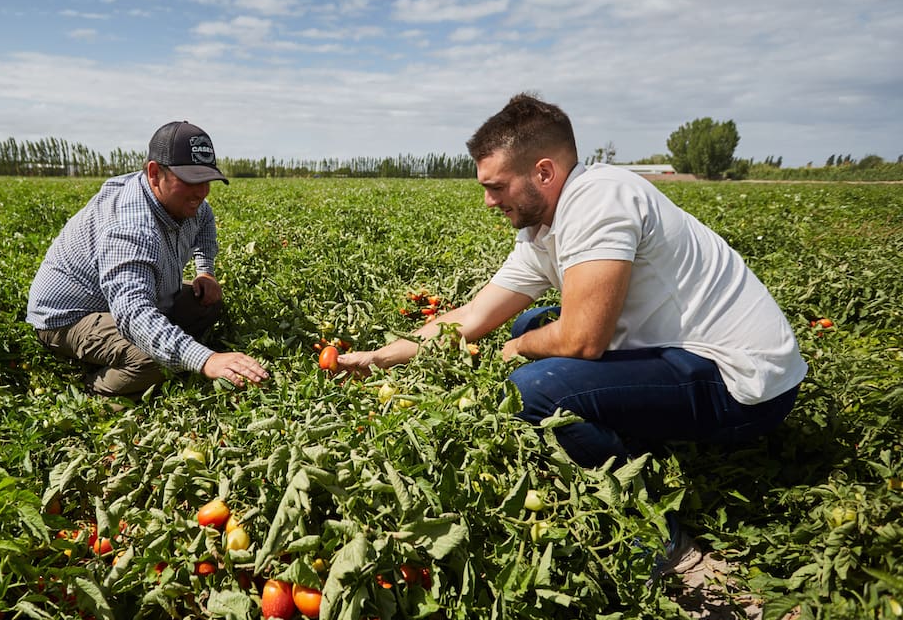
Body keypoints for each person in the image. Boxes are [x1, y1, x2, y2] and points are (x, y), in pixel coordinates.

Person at [337, 94, 807, 469]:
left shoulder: (600, 200)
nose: (488, 202)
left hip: (742, 386)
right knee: (532, 323)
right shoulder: (542, 230)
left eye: (496, 186)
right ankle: (622, 428)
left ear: (544, 172)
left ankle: (653, 529)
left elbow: (583, 340)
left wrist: (517, 350)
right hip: (682, 352)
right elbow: (474, 315)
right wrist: (380, 357)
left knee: (531, 388)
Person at [26, 120, 269, 397]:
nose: (201, 192)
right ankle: (96, 392)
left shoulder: (187, 203)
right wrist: (206, 359)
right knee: (154, 360)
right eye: (191, 180)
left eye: (206, 180)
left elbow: (205, 221)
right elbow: (133, 313)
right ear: (154, 173)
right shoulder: (129, 227)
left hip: (123, 300)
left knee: (207, 303)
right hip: (69, 317)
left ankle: (157, 347)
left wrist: (206, 271)